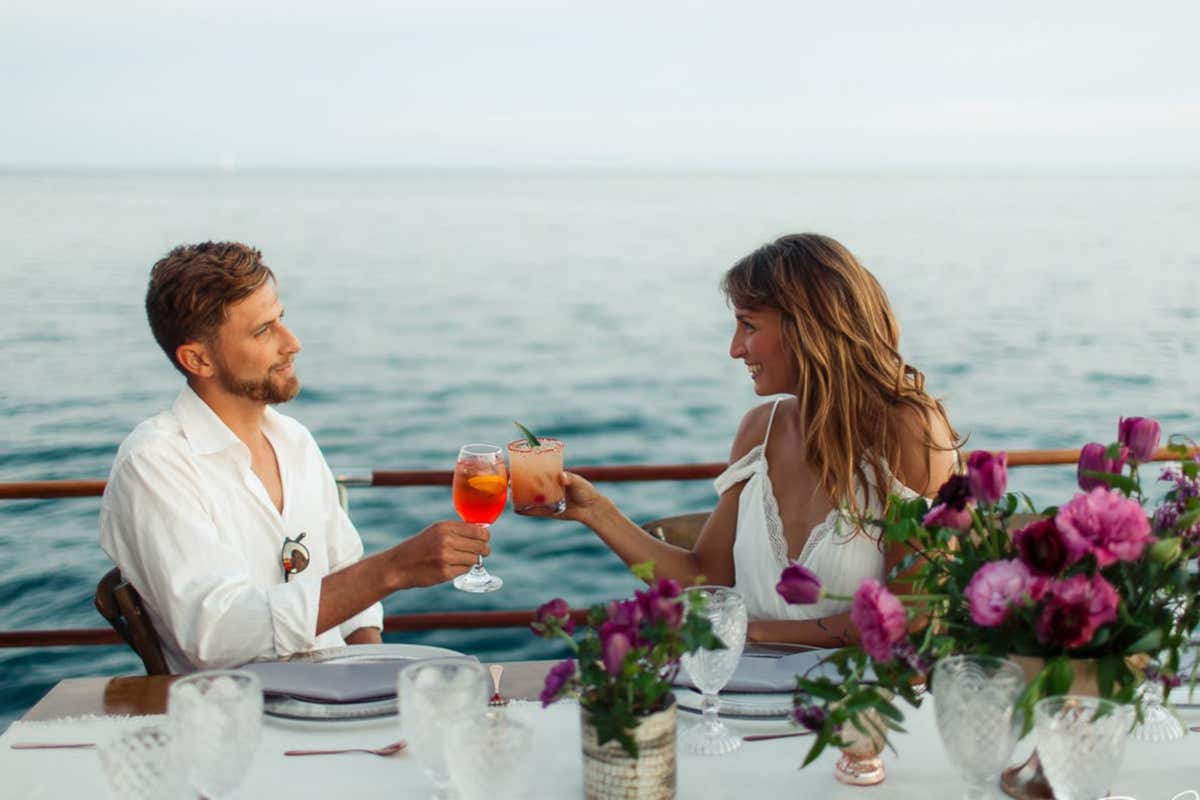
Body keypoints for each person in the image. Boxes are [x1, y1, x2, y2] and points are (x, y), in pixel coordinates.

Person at [541, 233, 959, 647]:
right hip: (742, 693)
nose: (735, 349)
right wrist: (594, 512)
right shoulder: (761, 429)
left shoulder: (908, 429)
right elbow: (705, 577)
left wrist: (751, 634)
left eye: (748, 325)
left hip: (858, 703)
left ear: (809, 327)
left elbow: (916, 612)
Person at [100, 242, 489, 672]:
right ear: (198, 359)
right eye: (262, 330)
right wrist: (392, 570)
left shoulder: (295, 440)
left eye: (280, 319)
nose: (293, 343)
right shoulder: (155, 463)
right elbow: (216, 635)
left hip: (338, 706)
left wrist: (374, 679)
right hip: (240, 720)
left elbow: (344, 569)